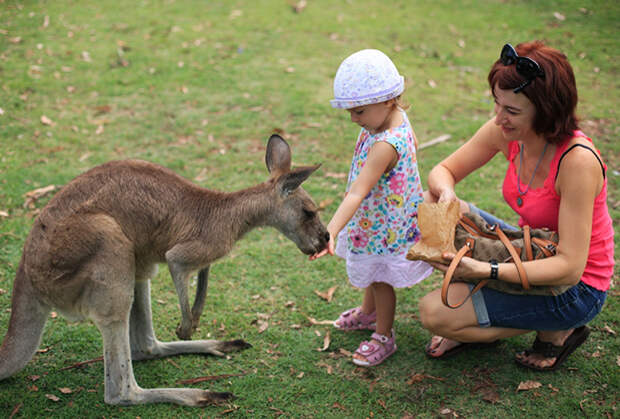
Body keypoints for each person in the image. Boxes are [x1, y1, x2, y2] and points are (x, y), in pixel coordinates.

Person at [419, 41, 614, 371]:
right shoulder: (507, 132)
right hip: (533, 248)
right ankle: (483, 315)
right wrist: (448, 196)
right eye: (498, 105)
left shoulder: (578, 161)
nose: (499, 119)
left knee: (435, 314)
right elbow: (443, 171)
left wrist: (486, 270)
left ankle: (558, 329)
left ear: (547, 110)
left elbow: (570, 266)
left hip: (577, 286)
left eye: (511, 111)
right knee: (432, 201)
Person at [310, 49, 433, 367]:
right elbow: (414, 147)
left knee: (381, 279)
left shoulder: (383, 144)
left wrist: (331, 230)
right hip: (386, 218)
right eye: (350, 111)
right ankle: (367, 313)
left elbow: (357, 192)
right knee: (373, 271)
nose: (354, 119)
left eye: (359, 111)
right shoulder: (397, 120)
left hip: (383, 227)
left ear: (389, 99)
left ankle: (383, 335)